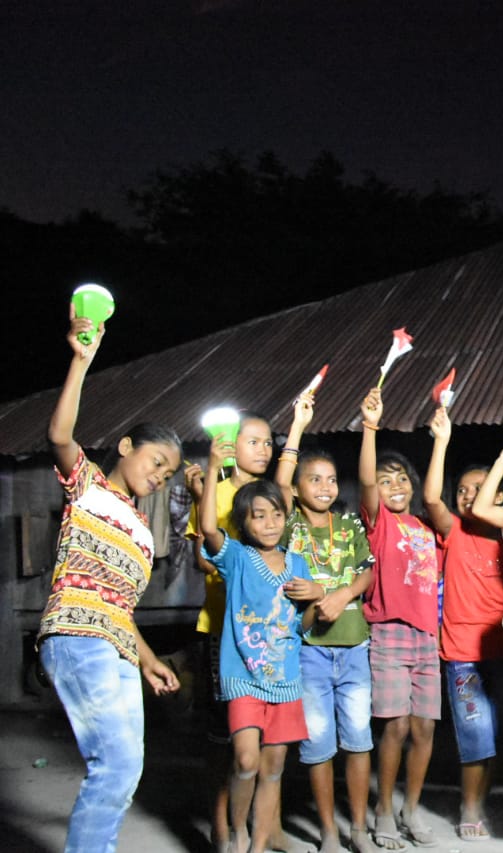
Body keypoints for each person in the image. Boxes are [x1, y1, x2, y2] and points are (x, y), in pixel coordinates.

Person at [37, 311, 182, 853]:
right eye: (156, 461)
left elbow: (120, 607)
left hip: (117, 646)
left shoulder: (142, 531)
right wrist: (81, 361)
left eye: (168, 473)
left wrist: (147, 658)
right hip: (77, 635)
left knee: (125, 768)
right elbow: (59, 435)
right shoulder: (89, 487)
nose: (160, 475)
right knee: (115, 762)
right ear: (126, 447)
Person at [199, 448, 322, 853]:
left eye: (276, 515)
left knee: (273, 768)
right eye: (258, 515)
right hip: (243, 677)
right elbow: (208, 529)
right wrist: (213, 468)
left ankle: (258, 845)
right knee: (246, 760)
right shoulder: (237, 557)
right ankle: (238, 832)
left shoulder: (298, 565)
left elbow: (302, 627)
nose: (269, 523)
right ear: (243, 522)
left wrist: (316, 596)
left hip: (286, 680)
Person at [275, 395, 378, 853]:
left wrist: (340, 594)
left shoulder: (350, 524)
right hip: (310, 652)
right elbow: (279, 483)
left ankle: (357, 828)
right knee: (318, 745)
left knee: (358, 742)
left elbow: (367, 572)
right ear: (297, 489)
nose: (325, 486)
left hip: (354, 647)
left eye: (331, 479)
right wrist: (298, 427)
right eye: (313, 479)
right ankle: (329, 833)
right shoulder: (288, 525)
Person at [421, 406, 503, 842]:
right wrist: (441, 442)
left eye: (478, 490)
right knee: (474, 731)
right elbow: (431, 499)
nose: (467, 496)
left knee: (496, 733)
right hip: (462, 651)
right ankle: (470, 805)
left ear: (499, 497)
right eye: (462, 490)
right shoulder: (455, 532)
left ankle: (482, 799)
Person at [185, 405, 275, 852]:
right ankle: (221, 827)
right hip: (223, 629)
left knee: (269, 740)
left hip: (269, 635)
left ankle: (266, 828)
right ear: (231, 446)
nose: (264, 449)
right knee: (223, 737)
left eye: (268, 442)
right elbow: (202, 557)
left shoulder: (274, 499)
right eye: (253, 441)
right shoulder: (213, 494)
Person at [358, 387, 442, 848]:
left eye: (401, 479)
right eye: (385, 481)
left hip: (426, 637)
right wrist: (370, 427)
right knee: (396, 725)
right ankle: (384, 809)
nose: (394, 487)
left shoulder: (425, 528)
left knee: (425, 727)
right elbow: (367, 483)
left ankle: (411, 809)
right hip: (388, 634)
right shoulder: (380, 524)